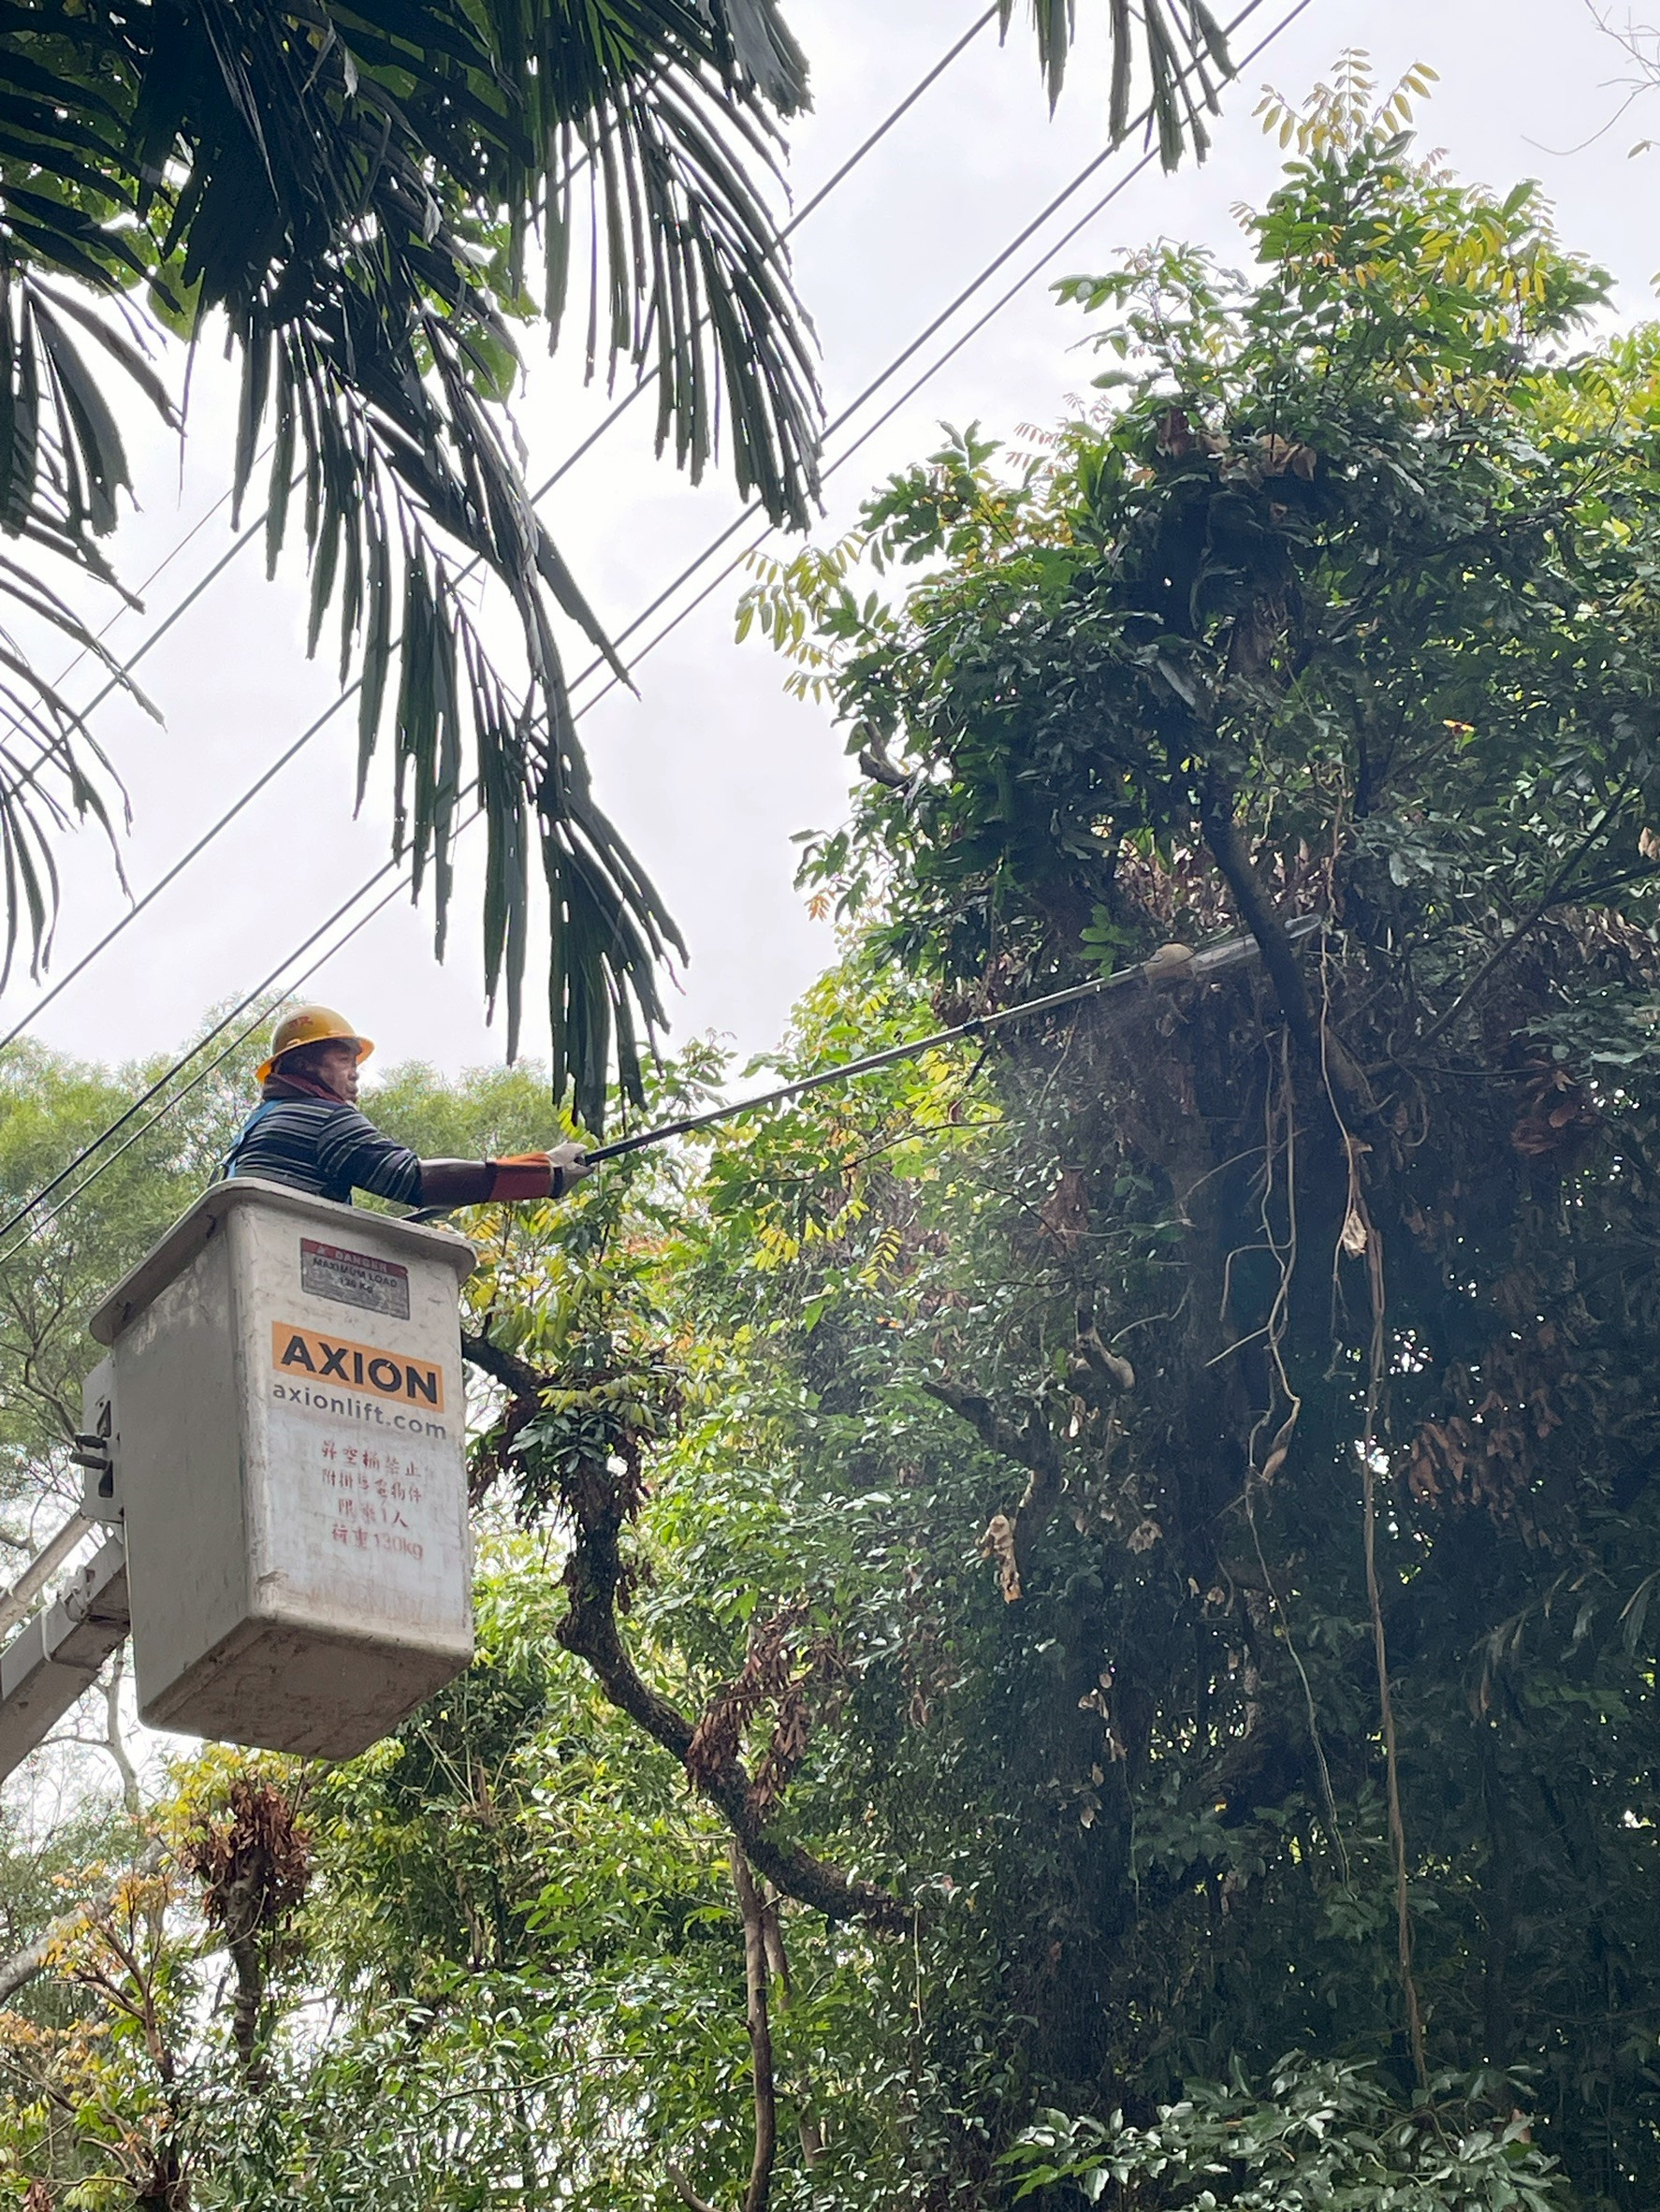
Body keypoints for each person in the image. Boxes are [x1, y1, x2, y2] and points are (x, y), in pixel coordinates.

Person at [224, 1005, 590, 1210]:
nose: (355, 1075)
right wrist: (546, 1172)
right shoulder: (324, 1120)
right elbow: (415, 1181)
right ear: (305, 1064)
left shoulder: (257, 1127)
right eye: (343, 1061)